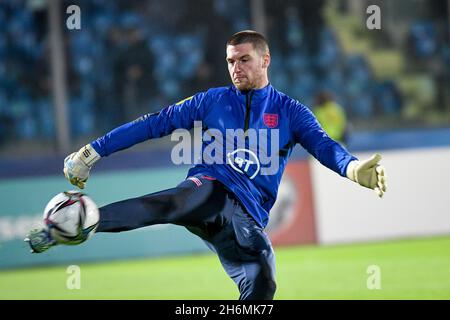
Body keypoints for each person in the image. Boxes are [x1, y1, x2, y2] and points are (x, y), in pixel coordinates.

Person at [25, 30, 387, 300]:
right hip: (208, 189)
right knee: (176, 202)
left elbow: (324, 146)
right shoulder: (211, 101)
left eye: (243, 59)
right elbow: (154, 123)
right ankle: (80, 222)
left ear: (265, 60)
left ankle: (75, 224)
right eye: (230, 61)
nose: (235, 67)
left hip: (245, 220)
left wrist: (354, 169)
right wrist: (93, 152)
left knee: (263, 281)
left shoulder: (291, 112)